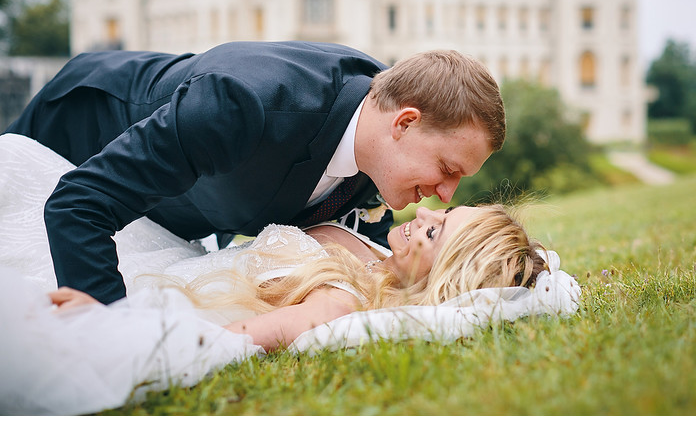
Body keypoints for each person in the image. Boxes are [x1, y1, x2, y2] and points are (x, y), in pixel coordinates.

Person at [0, 133, 580, 415]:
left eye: (435, 233)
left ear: (440, 276)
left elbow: (231, 340)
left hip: (163, 289)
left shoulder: (343, 303)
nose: (426, 213)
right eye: (444, 212)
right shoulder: (377, 253)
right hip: (169, 247)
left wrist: (108, 327)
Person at [3, 41, 505, 305]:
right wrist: (111, 326)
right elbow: (80, 204)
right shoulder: (240, 104)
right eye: (446, 169)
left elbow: (361, 262)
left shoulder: (381, 138)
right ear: (406, 122)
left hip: (176, 215)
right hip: (76, 134)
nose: (445, 194)